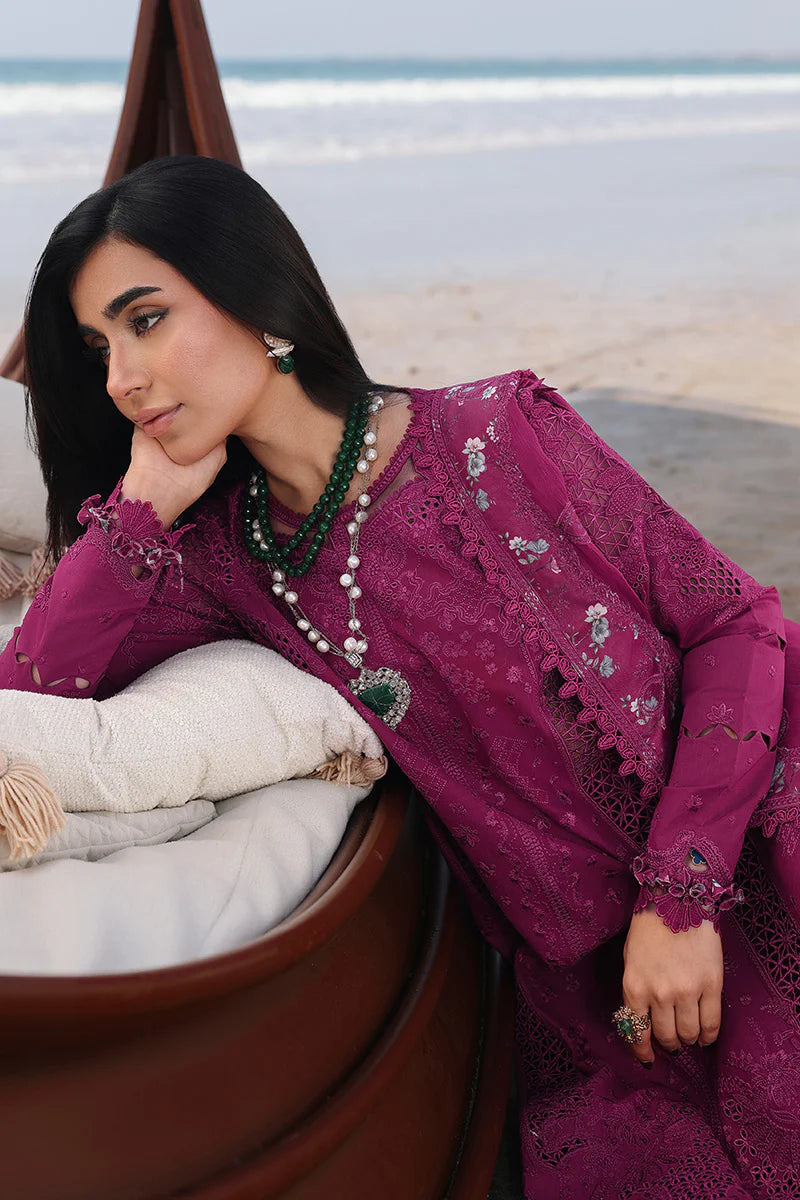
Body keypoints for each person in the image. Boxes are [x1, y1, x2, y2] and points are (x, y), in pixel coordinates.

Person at [1, 154, 798, 1200]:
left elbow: (734, 621)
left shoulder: (498, 433)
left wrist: (680, 899)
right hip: (594, 1009)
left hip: (751, 859)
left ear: (258, 297)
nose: (120, 379)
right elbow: (31, 707)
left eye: (145, 321)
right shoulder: (224, 566)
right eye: (98, 349)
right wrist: (143, 506)